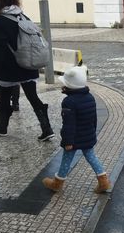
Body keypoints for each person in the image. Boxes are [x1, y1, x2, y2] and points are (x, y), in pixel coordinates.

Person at [0, 0, 54, 140]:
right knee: (33, 97)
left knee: (4, 98)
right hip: (27, 64)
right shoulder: (22, 16)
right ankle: (47, 128)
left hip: (9, 68)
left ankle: (2, 127)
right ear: (15, 1)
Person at [42, 65, 111, 194]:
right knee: (91, 156)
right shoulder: (90, 97)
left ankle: (57, 183)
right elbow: (94, 118)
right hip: (88, 134)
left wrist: (67, 141)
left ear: (69, 86)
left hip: (73, 138)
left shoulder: (69, 101)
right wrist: (93, 133)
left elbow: (69, 124)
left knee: (66, 159)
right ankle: (103, 181)